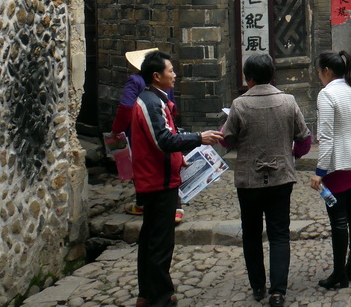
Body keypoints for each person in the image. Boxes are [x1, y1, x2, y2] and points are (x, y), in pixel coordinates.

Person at [130, 50, 222, 307]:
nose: (175, 75)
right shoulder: (149, 102)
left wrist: (180, 156)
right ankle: (159, 297)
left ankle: (148, 294)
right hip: (157, 182)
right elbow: (163, 141)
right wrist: (197, 138)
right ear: (157, 76)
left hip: (161, 179)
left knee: (152, 241)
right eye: (171, 71)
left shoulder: (156, 100)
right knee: (159, 244)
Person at [221, 54, 311, 307]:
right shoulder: (288, 101)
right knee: (279, 234)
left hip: (249, 180)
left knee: (251, 233)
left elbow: (227, 139)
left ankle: (258, 286)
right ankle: (278, 291)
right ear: (273, 75)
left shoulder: (239, 105)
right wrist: (292, 154)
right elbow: (304, 138)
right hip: (281, 177)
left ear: (248, 78)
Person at [310, 50, 351, 290]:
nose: (319, 78)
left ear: (326, 71)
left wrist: (319, 172)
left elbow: (326, 138)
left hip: (336, 166)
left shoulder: (327, 94)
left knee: (338, 221)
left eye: (319, 73)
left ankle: (338, 273)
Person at [111, 48, 183, 222]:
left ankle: (144, 204)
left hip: (138, 131)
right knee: (164, 163)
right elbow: (172, 106)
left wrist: (116, 130)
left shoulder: (134, 81)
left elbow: (126, 108)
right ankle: (175, 207)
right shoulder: (164, 84)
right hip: (164, 126)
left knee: (142, 165)